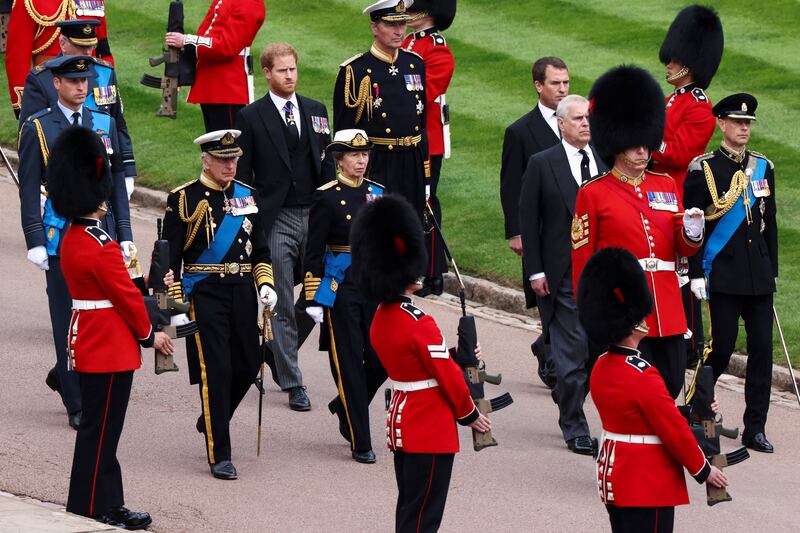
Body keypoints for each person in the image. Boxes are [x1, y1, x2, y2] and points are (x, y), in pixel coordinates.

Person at [46, 126, 173, 531]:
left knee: (98, 432)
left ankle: (104, 501)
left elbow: (123, 288)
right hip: (109, 343)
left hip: (90, 337)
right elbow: (127, 299)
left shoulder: (73, 238)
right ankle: (92, 506)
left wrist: (152, 286)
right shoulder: (100, 244)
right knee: (102, 433)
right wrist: (151, 335)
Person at [350, 194, 491, 532]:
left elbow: (422, 361)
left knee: (411, 511)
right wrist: (471, 414)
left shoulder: (383, 318)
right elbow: (445, 375)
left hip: (404, 421)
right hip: (429, 426)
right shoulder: (418, 321)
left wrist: (461, 355)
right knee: (424, 518)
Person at [571, 65, 705, 400]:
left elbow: (682, 249)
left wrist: (692, 232)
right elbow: (584, 261)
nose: (643, 151)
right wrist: (594, 313)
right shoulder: (594, 192)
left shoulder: (665, 186)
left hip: (668, 309)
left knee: (671, 385)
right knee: (632, 393)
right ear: (617, 144)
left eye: (645, 144)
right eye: (635, 145)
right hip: (625, 309)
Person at [577, 246, 727, 533]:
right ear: (633, 323)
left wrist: (693, 412)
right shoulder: (643, 374)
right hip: (647, 482)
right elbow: (671, 429)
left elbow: (641, 413)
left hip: (617, 477)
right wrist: (704, 471)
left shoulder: (601, 366)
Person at [17, 54, 132, 430]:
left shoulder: (103, 122)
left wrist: (126, 234)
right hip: (60, 236)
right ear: (57, 85)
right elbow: (29, 186)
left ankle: (76, 379)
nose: (82, 87)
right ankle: (76, 399)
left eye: (85, 81)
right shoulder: (39, 127)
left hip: (101, 235)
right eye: (73, 81)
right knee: (66, 318)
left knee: (104, 313)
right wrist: (34, 238)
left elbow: (114, 185)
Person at [161, 129, 278, 480]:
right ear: (205, 160)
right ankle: (220, 454)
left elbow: (260, 250)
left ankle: (212, 417)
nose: (230, 166)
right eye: (223, 160)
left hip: (242, 290)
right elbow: (168, 262)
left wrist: (266, 283)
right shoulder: (184, 199)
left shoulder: (248, 197)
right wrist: (169, 309)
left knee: (248, 362)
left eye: (234, 159)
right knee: (217, 370)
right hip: (205, 293)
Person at [235, 42, 335, 411]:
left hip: (316, 215)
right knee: (277, 299)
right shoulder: (251, 116)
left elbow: (327, 164)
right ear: (267, 73)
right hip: (275, 219)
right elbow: (243, 180)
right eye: (282, 71)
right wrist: (253, 228)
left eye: (293, 69)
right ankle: (293, 381)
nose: (290, 76)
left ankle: (275, 350)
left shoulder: (315, 110)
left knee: (324, 290)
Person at [683, 94, 778, 453]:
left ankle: (756, 426)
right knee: (720, 348)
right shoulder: (703, 168)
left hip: (757, 276)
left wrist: (772, 271)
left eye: (748, 123)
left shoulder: (763, 167)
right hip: (720, 274)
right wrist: (695, 272)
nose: (743, 128)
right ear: (722, 124)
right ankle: (697, 407)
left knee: (761, 353)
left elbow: (769, 225)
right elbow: (693, 227)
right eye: (737, 122)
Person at [519, 94, 608, 455]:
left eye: (587, 118)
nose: (585, 124)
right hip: (564, 273)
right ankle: (574, 425)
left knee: (596, 351)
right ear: (561, 124)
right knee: (573, 351)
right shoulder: (543, 164)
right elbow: (530, 219)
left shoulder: (603, 159)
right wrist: (535, 271)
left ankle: (566, 395)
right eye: (577, 119)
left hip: (601, 275)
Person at [302, 129, 387, 463]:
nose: (361, 160)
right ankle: (360, 439)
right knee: (350, 362)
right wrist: (313, 296)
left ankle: (344, 405)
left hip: (374, 287)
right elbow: (313, 251)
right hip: (342, 289)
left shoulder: (378, 194)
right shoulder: (326, 196)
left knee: (381, 361)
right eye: (354, 155)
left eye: (365, 154)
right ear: (340, 159)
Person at [653, 4, 724, 371]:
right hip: (655, 193)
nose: (668, 64)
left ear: (690, 64)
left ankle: (689, 344)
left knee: (680, 272)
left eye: (674, 59)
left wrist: (644, 139)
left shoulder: (698, 106)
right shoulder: (674, 99)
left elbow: (678, 154)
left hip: (675, 198)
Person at [499, 56, 569, 389]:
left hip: (576, 231)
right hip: (541, 232)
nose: (562, 89)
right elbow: (511, 185)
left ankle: (548, 348)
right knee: (550, 302)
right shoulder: (521, 131)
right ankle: (556, 364)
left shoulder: (580, 124)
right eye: (555, 83)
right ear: (538, 85)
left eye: (566, 83)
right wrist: (515, 231)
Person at [333, 1, 429, 241]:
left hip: (412, 162)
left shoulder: (414, 64)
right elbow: (344, 133)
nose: (399, 31)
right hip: (378, 163)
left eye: (403, 23)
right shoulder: (355, 71)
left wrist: (425, 174)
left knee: (412, 233)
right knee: (379, 234)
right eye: (391, 24)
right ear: (374, 27)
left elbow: (422, 122)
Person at [18, 19, 137, 199]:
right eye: (81, 47)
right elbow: (29, 135)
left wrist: (127, 171)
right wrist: (39, 182)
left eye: (91, 46)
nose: (88, 52)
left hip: (100, 173)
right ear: (63, 44)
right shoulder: (41, 78)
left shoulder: (105, 72)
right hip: (61, 177)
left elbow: (117, 124)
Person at [402, 0, 456, 295]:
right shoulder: (410, 40)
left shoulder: (436, 48)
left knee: (424, 202)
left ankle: (431, 270)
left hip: (427, 139)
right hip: (406, 136)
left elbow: (424, 92)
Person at [165, 0, 265, 132]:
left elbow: (227, 47)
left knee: (227, 149)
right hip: (209, 84)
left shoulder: (249, 3)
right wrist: (180, 71)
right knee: (210, 149)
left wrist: (186, 40)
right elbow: (204, 37)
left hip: (227, 87)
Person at [5, 0, 114, 116]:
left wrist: (108, 88)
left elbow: (102, 48)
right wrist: (25, 103)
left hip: (89, 83)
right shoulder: (28, 2)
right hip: (50, 85)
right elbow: (18, 56)